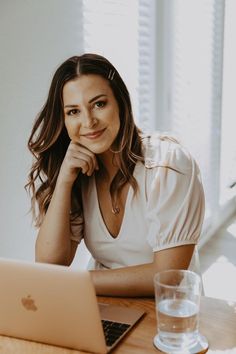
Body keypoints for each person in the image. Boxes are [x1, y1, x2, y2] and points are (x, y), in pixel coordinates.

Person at [26, 53, 205, 297]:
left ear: (120, 102)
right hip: (104, 306)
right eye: (73, 111)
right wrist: (65, 181)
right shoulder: (79, 174)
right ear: (64, 120)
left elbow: (169, 274)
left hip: (170, 314)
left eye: (99, 104)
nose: (88, 121)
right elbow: (49, 265)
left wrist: (76, 282)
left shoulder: (168, 165)